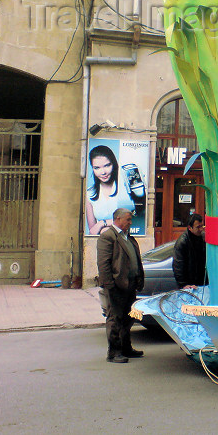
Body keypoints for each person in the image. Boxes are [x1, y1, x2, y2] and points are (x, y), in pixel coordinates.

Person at [96, 208, 145, 363]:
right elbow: (103, 263)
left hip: (129, 284)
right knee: (115, 318)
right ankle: (114, 352)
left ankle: (126, 347)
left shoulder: (127, 237)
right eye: (128, 220)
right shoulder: (108, 237)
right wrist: (109, 285)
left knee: (128, 318)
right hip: (117, 285)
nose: (130, 223)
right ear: (118, 219)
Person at [86, 145, 136, 235]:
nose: (103, 172)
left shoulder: (126, 188)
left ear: (114, 164)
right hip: (103, 242)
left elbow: (131, 218)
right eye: (97, 168)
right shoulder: (90, 194)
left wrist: (103, 223)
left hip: (126, 238)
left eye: (107, 165)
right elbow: (93, 231)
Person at [173, 214, 208, 288]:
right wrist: (184, 285)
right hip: (190, 284)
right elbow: (178, 265)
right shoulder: (183, 242)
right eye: (198, 227)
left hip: (203, 282)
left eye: (202, 226)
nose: (201, 229)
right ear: (190, 228)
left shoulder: (203, 237)